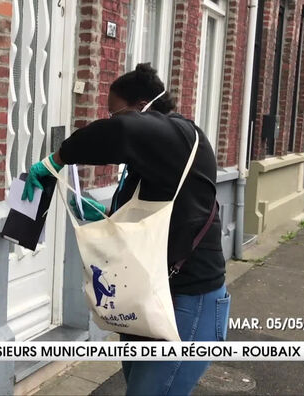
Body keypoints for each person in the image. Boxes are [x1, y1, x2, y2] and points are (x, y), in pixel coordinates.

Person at [22, 63, 230, 395]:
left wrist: (55, 160)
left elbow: (118, 133)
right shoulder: (155, 158)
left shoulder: (180, 137)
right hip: (146, 297)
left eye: (117, 112)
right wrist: (101, 212)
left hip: (188, 301)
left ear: (142, 106)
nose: (114, 119)